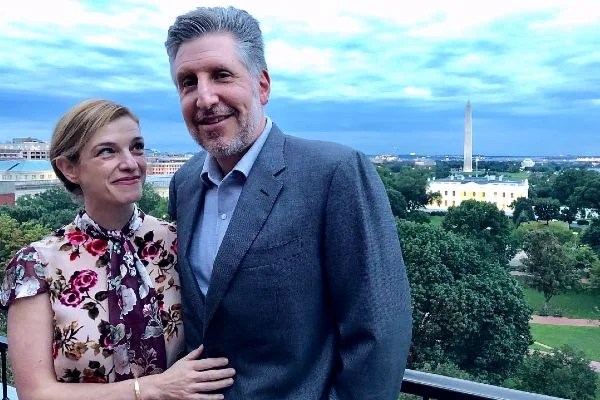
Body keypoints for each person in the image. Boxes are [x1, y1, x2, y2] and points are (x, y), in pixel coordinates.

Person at [165, 6, 412, 400]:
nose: (205, 97)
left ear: (262, 86)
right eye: (188, 82)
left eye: (222, 75)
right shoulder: (184, 184)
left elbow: (378, 331)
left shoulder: (334, 173)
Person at [0, 99, 235, 400]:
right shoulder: (37, 265)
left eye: (136, 147)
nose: (131, 163)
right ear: (69, 168)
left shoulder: (178, 242)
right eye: (107, 151)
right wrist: (151, 389)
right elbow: (35, 392)